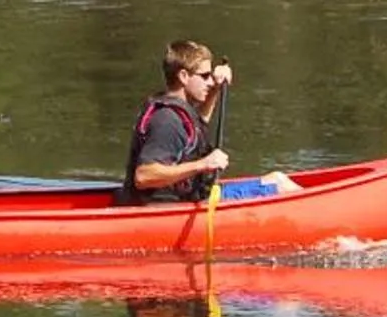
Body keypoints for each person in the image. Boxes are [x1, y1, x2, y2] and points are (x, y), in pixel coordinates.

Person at [119, 40, 300, 205]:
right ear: (183, 76)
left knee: (277, 179)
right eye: (205, 76)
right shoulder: (167, 122)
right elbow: (144, 176)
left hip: (190, 200)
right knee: (281, 186)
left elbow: (197, 127)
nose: (210, 81)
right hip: (167, 211)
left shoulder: (179, 111)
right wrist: (203, 164)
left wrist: (216, 88)